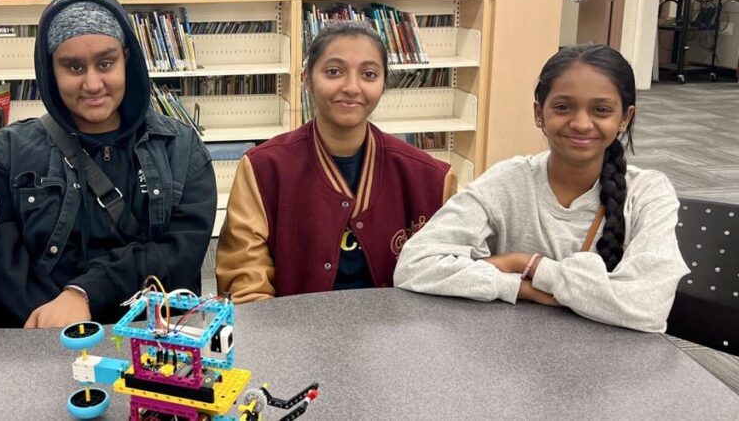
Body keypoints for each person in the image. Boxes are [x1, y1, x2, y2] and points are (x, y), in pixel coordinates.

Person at [394, 44, 690, 333]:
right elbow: (414, 266)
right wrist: (519, 288)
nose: (581, 123)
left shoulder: (648, 193)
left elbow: (647, 308)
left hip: (613, 369)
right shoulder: (507, 181)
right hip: (513, 356)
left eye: (601, 110)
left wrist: (527, 264)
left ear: (624, 118)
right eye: (563, 107)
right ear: (539, 113)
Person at [0, 0, 216, 328]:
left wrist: (83, 294)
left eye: (105, 63)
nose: (92, 83)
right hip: (45, 339)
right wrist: (60, 323)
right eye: (73, 67)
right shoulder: (6, 155)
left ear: (126, 60)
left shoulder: (180, 147)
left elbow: (180, 254)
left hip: (150, 339)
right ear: (49, 70)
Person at [216, 21, 455, 303]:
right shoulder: (263, 169)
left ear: (383, 83)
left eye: (368, 74)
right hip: (293, 335)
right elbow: (245, 283)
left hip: (398, 336)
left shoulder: (432, 178)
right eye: (334, 72)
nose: (352, 87)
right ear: (307, 79)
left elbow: (449, 274)